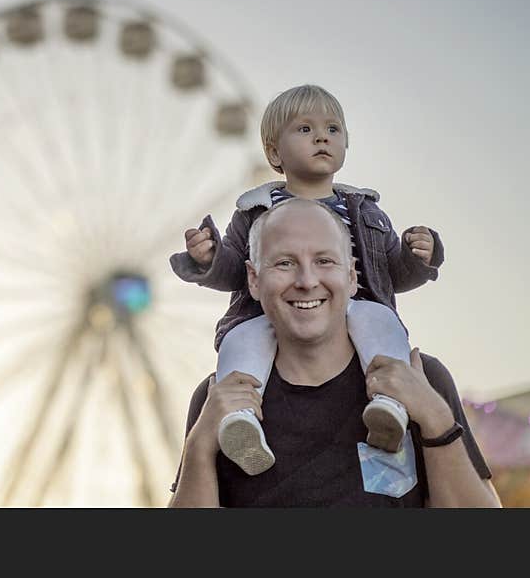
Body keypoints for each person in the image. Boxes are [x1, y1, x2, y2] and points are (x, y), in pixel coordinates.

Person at [170, 84, 441, 475]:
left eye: (333, 129)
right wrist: (210, 257)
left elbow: (391, 273)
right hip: (274, 313)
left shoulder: (367, 212)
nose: (321, 137)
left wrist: (417, 257)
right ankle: (239, 419)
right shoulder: (254, 211)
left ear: (346, 144)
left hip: (357, 306)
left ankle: (390, 406)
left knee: (383, 326)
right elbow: (237, 271)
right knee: (241, 340)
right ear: (274, 152)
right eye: (304, 129)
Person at [168, 198, 499, 507]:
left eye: (324, 261)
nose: (307, 280)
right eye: (285, 263)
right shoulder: (219, 399)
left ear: (352, 276)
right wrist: (198, 448)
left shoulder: (422, 381)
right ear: (253, 280)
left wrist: (436, 418)